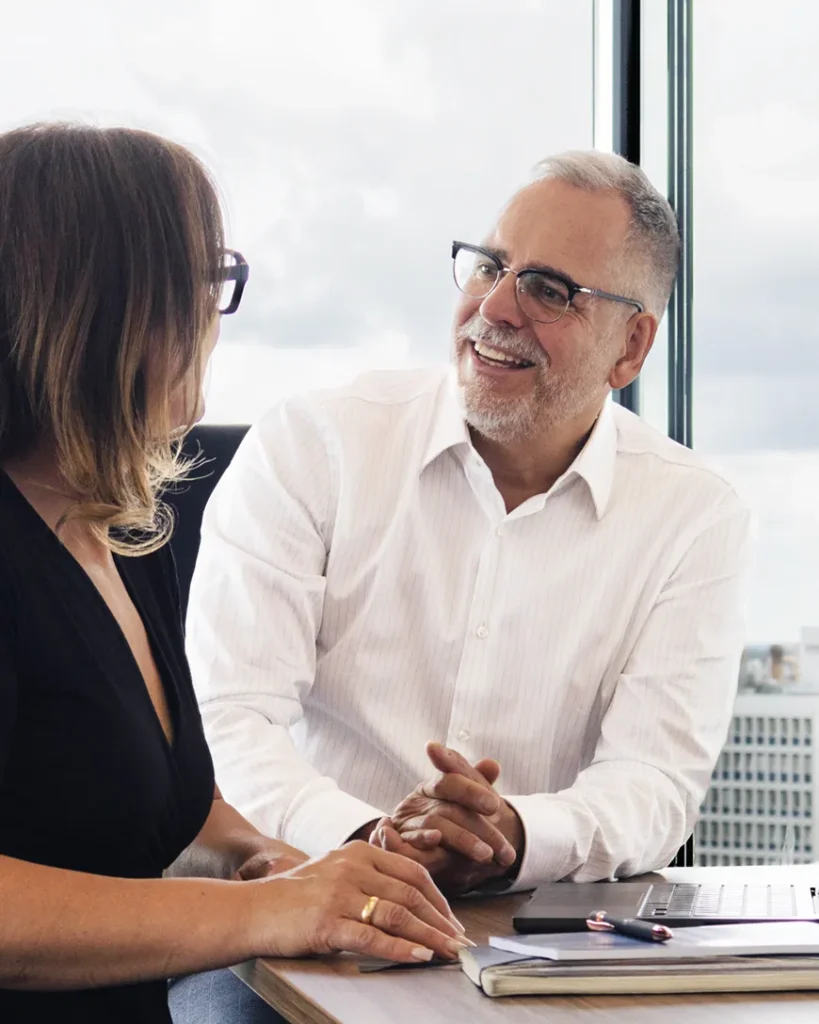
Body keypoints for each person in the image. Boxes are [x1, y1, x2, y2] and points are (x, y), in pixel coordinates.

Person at [186, 150, 753, 989]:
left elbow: (654, 780)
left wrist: (515, 834)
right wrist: (368, 843)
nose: (492, 307)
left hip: (535, 950)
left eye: (549, 290)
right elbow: (228, 721)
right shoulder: (315, 444)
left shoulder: (694, 511)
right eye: (490, 265)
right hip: (281, 928)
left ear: (630, 346)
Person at [0, 123, 468, 1024]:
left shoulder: (123, 539)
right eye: (204, 281)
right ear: (105, 308)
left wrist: (297, 861)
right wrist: (262, 910)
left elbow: (142, 806)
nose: (215, 316)